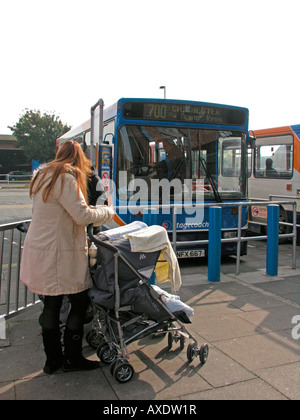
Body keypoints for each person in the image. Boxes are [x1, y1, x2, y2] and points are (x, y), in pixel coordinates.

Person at [20, 140, 115, 374]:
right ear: (78, 158)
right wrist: (108, 211)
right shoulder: (66, 178)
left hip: (43, 251)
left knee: (51, 304)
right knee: (79, 302)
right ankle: (72, 359)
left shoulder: (43, 176)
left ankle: (52, 361)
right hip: (60, 254)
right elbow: (82, 216)